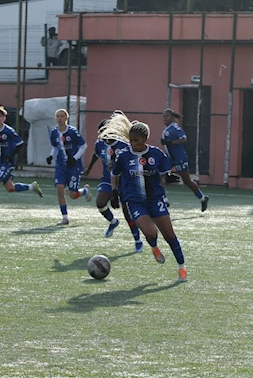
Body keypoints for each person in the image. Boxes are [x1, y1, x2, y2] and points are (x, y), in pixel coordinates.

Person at [109, 115, 189, 282]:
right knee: (150, 232)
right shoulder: (124, 155)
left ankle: (182, 267)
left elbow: (163, 175)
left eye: (136, 140)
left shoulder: (156, 154)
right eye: (131, 140)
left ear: (145, 139)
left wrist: (168, 178)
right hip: (135, 201)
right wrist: (114, 192)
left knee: (169, 235)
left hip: (155, 199)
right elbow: (114, 174)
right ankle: (154, 247)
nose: (133, 144)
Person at [83, 118, 143, 252]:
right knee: (100, 203)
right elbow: (96, 154)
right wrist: (89, 168)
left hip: (124, 182)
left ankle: (137, 240)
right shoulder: (100, 143)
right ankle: (113, 222)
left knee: (128, 214)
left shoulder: (124, 145)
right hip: (107, 179)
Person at [0, 106, 43, 218]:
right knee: (10, 188)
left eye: (0, 116)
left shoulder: (9, 131)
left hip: (7, 163)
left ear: (4, 118)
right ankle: (32, 187)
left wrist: (11, 156)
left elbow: (20, 143)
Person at [47, 108, 91, 225]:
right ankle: (65, 217)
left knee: (73, 195)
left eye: (62, 116)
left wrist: (75, 158)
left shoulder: (73, 132)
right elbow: (55, 147)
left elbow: (83, 146)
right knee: (60, 189)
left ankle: (85, 191)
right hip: (61, 166)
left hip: (73, 167)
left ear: (66, 118)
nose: (59, 118)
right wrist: (51, 156)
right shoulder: (54, 133)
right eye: (57, 116)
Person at [161, 109, 210, 212]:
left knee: (187, 181)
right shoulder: (167, 128)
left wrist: (171, 142)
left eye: (167, 116)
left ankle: (203, 198)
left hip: (179, 158)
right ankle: (164, 199)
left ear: (172, 117)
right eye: (164, 116)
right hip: (170, 157)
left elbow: (184, 138)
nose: (165, 118)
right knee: (159, 174)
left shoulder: (175, 127)